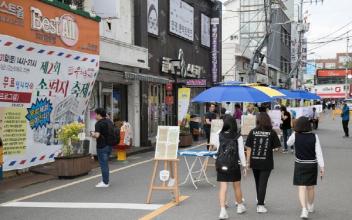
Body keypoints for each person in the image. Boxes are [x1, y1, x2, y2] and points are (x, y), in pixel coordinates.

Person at [287, 117, 325, 219]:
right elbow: (319, 152)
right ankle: (310, 206)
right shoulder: (314, 136)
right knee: (311, 187)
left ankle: (304, 209)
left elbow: (288, 143)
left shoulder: (295, 135)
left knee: (302, 187)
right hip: (312, 164)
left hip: (300, 164)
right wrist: (322, 166)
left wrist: (294, 132)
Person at [245, 112, 281, 214]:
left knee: (258, 182)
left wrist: (247, 162)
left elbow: (248, 148)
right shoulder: (272, 132)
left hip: (254, 161)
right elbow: (277, 147)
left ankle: (260, 199)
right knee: (263, 183)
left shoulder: (253, 131)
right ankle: (260, 205)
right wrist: (272, 148)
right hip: (266, 161)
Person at [217, 115, 247, 219]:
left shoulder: (219, 134)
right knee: (237, 186)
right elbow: (241, 153)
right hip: (234, 164)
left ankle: (222, 211)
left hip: (222, 164)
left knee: (223, 187)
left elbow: (217, 149)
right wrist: (244, 165)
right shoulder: (238, 136)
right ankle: (239, 206)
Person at [90, 108, 114, 187]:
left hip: (102, 146)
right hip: (109, 145)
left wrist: (92, 134)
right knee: (105, 164)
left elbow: (97, 135)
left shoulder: (98, 124)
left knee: (103, 164)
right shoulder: (109, 121)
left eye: (95, 114)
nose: (95, 116)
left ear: (99, 115)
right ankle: (105, 180)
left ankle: (105, 182)